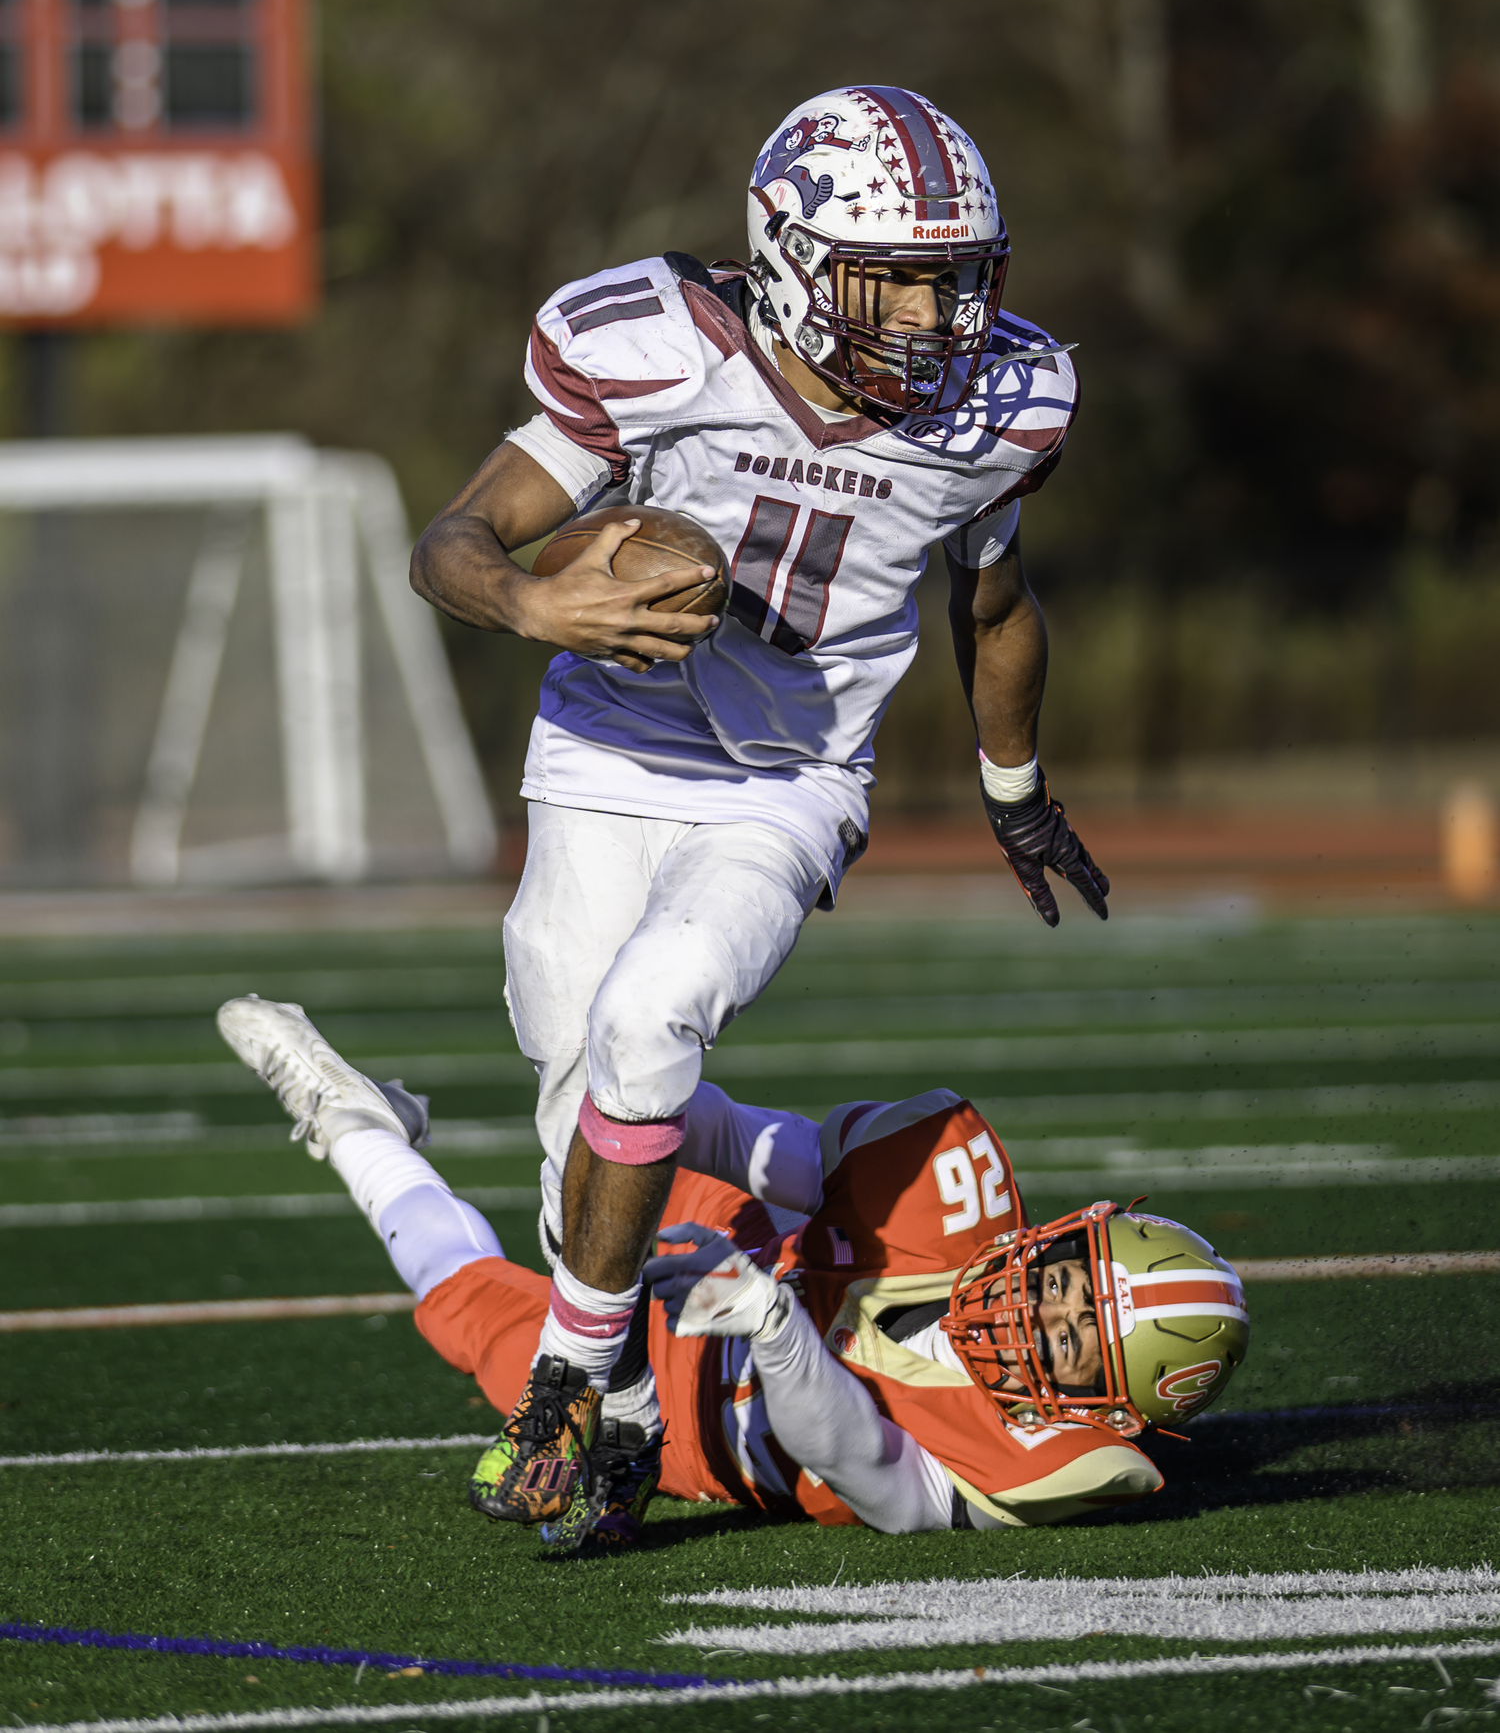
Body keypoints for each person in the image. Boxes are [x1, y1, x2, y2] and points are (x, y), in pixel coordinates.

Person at [407, 86, 1111, 1543]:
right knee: (577, 1110)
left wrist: (1015, 788)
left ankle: (568, 1383)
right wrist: (537, 596)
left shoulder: (1003, 409)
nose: (936, 319)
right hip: (607, 743)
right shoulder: (652, 346)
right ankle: (631, 1409)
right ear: (789, 254)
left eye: (956, 278)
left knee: (652, 1018)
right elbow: (452, 540)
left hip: (791, 777)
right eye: (897, 279)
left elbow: (996, 603)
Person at [217, 998, 1249, 1548]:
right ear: (1061, 1238)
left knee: (459, 1308)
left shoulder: (1044, 1459)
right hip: (734, 1242)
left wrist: (770, 1323)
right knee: (587, 1148)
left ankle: (353, 1125)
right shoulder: (947, 1191)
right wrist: (629, 1103)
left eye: (1068, 1342)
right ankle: (476, 1142)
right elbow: (720, 1130)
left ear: (1098, 1406)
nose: (1036, 1314)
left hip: (701, 1430)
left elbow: (870, 1475)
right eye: (1062, 1282)